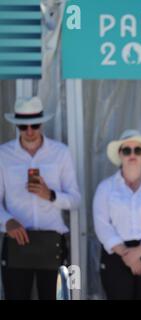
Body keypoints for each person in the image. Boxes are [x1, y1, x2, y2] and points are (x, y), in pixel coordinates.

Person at [0, 97, 81, 300]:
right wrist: (6, 221)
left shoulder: (60, 153)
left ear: (42, 123)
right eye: (23, 126)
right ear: (16, 125)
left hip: (52, 242)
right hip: (18, 242)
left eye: (34, 124)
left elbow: (75, 199)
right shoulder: (3, 154)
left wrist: (50, 195)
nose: (29, 131)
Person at [93, 130, 141, 300]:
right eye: (127, 150)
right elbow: (102, 226)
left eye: (138, 150)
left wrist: (138, 253)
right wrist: (127, 254)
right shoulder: (105, 188)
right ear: (120, 155)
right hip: (116, 255)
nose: (132, 154)